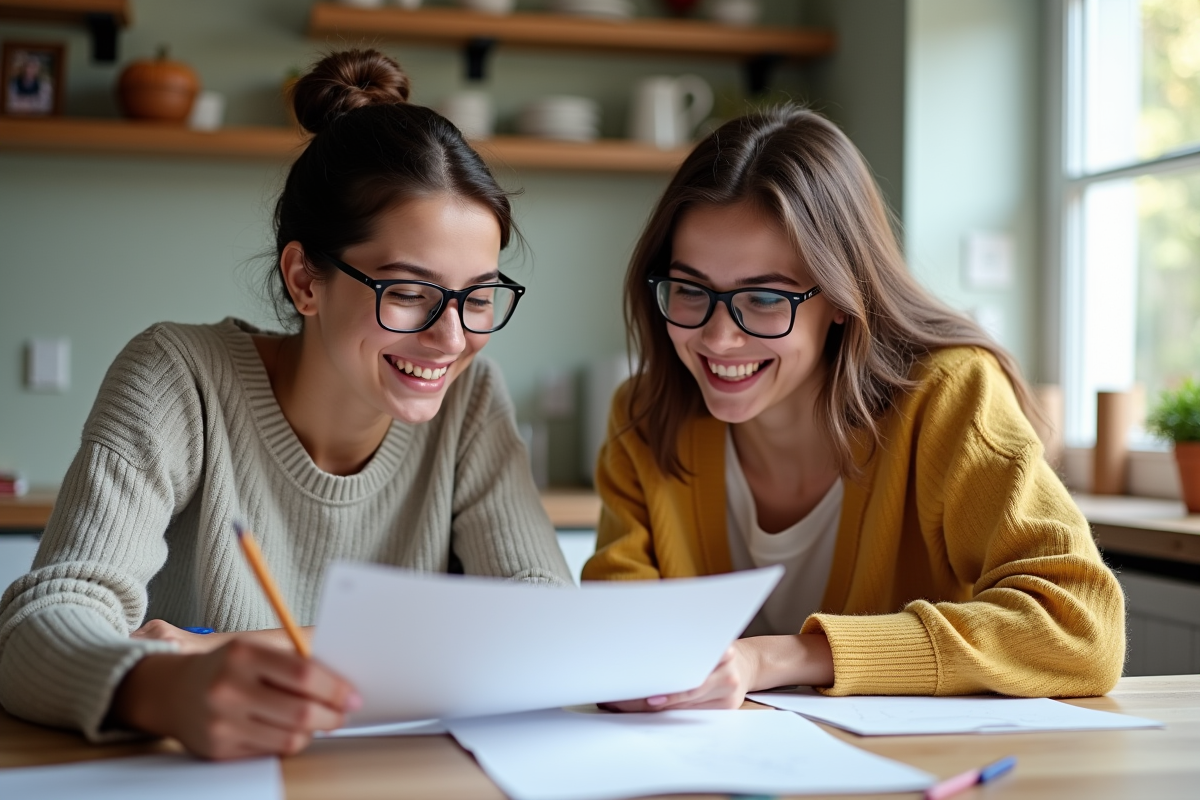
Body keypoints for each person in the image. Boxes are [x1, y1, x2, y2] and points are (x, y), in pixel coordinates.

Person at [0, 49, 570, 759]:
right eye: (408, 292)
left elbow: (543, 619)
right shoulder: (179, 376)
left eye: (478, 297)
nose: (451, 338)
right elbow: (39, 625)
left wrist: (236, 645)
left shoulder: (470, 400)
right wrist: (162, 691)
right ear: (305, 281)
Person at [583, 106, 1125, 710]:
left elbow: (1082, 630)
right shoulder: (646, 415)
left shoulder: (951, 397)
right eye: (690, 290)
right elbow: (617, 630)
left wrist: (777, 657)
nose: (717, 338)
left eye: (763, 298)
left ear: (842, 297)